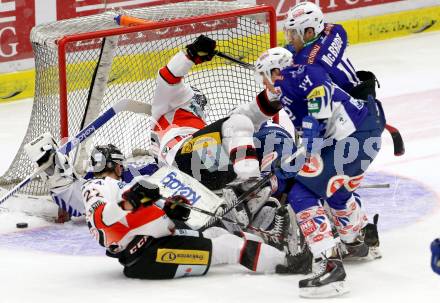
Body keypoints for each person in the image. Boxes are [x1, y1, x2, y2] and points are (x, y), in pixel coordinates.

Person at [253, 47, 386, 298]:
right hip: (360, 135)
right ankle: (358, 240)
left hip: (355, 138)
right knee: (334, 191)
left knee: (301, 193)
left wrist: (303, 154)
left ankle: (330, 265)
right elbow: (313, 133)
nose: (264, 82)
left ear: (276, 70)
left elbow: (319, 106)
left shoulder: (297, 75)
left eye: (265, 75)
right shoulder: (291, 88)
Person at [80, 144, 311, 279]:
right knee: (230, 248)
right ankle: (287, 264)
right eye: (120, 164)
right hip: (150, 257)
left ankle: (273, 245)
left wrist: (170, 210)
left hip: (155, 243)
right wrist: (132, 201)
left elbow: (134, 216)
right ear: (114, 165)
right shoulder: (95, 186)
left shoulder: (120, 186)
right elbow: (103, 220)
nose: (122, 168)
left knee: (218, 234)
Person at [150, 35, 290, 242]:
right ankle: (251, 187)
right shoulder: (166, 107)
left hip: (204, 178)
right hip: (183, 163)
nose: (200, 105)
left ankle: (266, 215)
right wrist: (190, 54)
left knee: (251, 126)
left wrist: (276, 97)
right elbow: (167, 77)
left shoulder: (198, 130)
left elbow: (249, 114)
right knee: (239, 122)